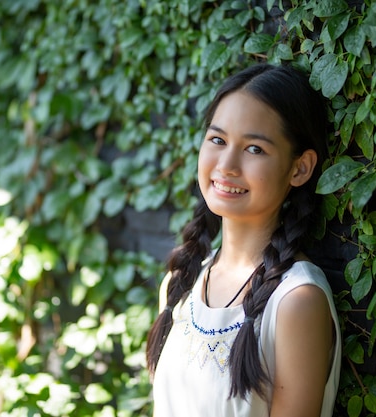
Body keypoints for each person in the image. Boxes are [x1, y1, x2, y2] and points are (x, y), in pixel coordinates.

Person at [146, 63, 341, 417]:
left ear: (299, 168)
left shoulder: (296, 300)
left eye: (254, 149)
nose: (227, 165)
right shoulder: (182, 281)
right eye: (218, 140)